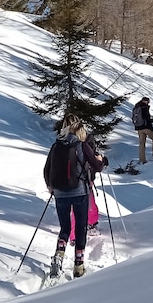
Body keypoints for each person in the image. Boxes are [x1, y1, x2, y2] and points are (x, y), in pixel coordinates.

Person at [43, 115, 105, 278]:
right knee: (80, 228)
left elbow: (47, 169)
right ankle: (79, 265)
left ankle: (59, 254)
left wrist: (50, 186)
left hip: (60, 193)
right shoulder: (82, 145)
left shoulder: (56, 146)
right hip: (79, 192)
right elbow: (97, 166)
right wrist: (102, 160)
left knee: (65, 228)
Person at [132, 96, 153, 164]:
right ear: (145, 101)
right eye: (148, 102)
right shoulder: (144, 107)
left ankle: (142, 159)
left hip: (139, 128)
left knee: (142, 143)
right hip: (146, 127)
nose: (148, 103)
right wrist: (152, 120)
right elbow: (146, 118)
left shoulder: (136, 107)